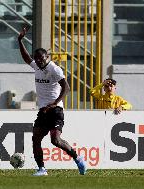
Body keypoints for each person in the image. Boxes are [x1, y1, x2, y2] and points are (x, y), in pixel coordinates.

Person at [18, 27, 87, 176]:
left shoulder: (54, 69)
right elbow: (26, 58)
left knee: (55, 140)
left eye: (41, 58)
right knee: (36, 138)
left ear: (46, 57)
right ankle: (42, 169)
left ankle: (78, 158)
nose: (38, 61)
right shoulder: (36, 65)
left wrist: (55, 103)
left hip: (56, 110)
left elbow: (66, 88)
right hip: (43, 110)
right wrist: (20, 40)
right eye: (36, 59)